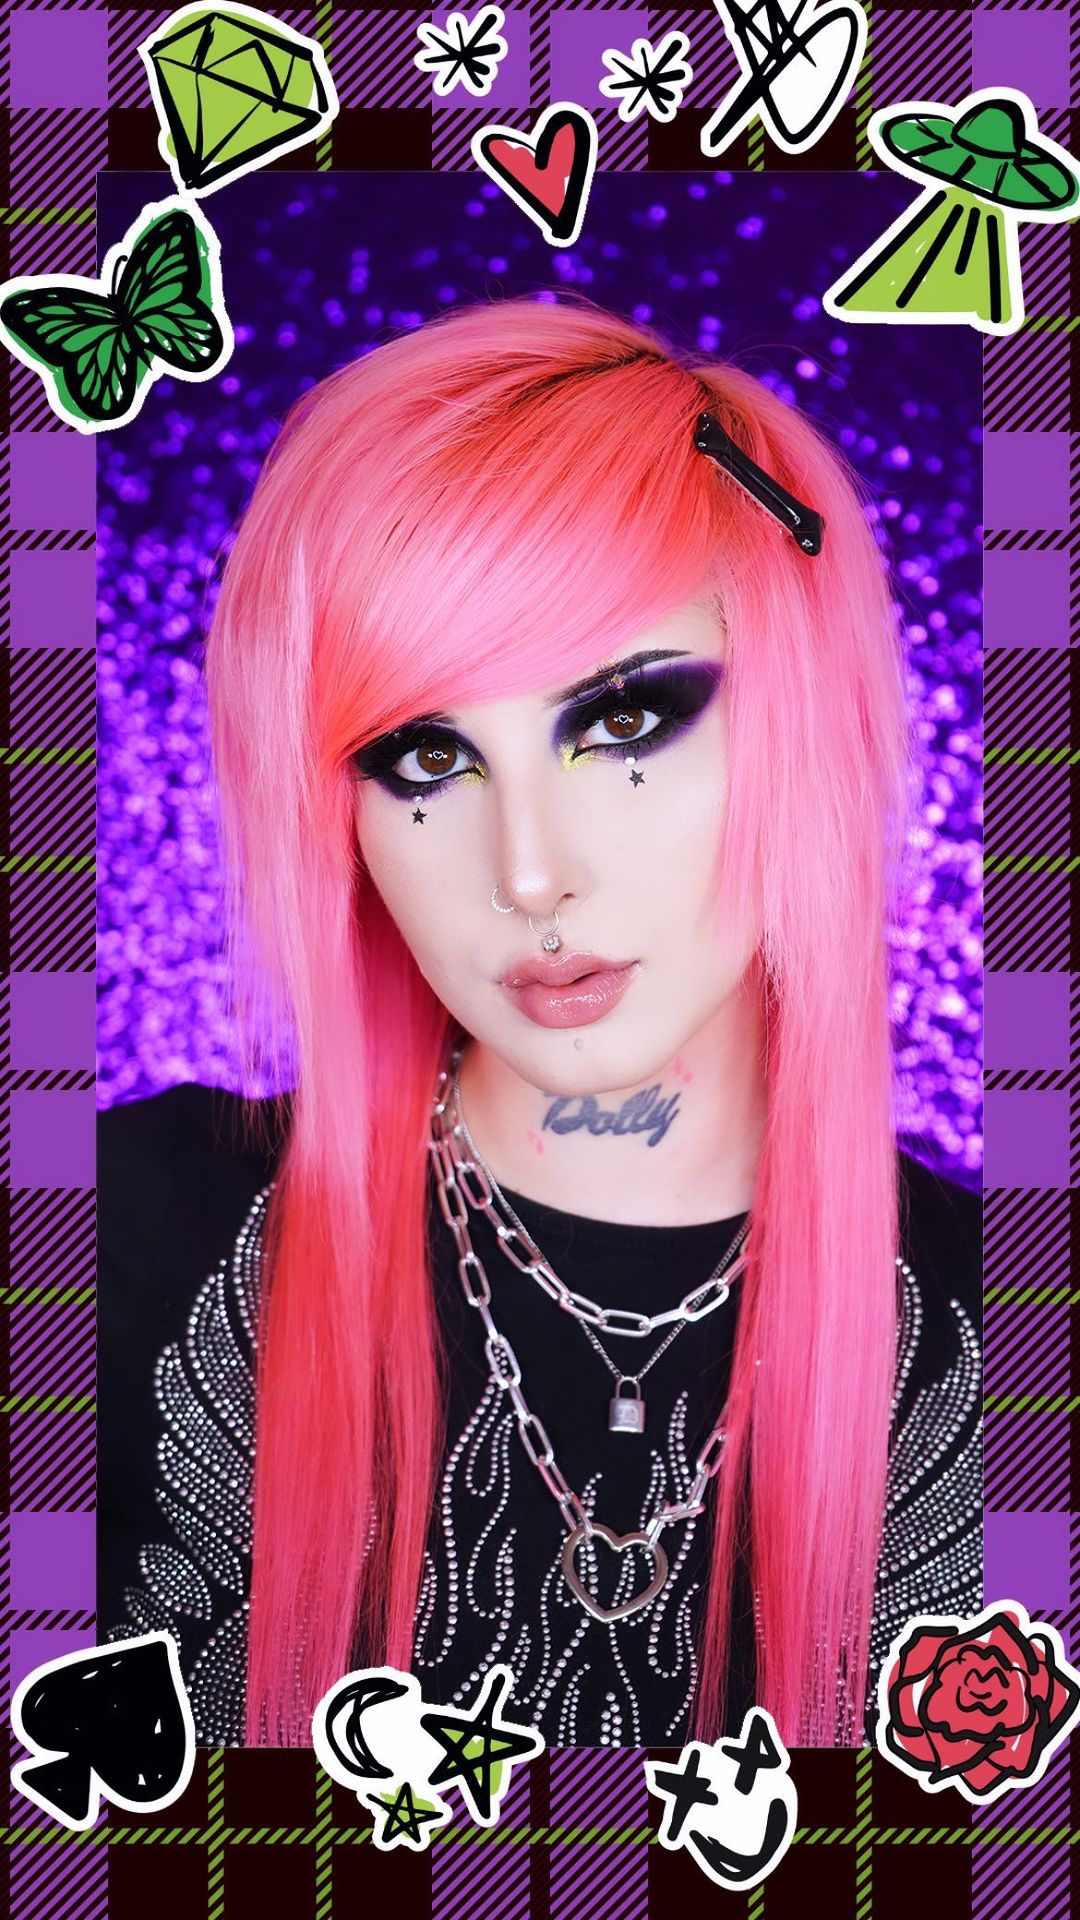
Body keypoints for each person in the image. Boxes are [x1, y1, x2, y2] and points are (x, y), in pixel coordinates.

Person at [97, 294, 981, 1753]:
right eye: (424, 756)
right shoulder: (111, 1239)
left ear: (801, 718)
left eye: (623, 723)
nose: (527, 873)